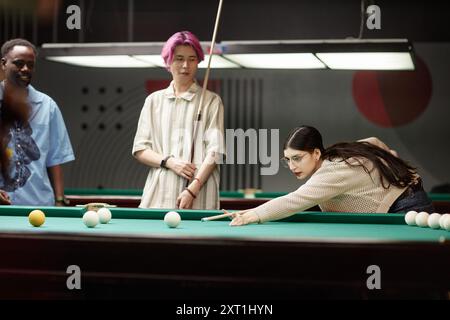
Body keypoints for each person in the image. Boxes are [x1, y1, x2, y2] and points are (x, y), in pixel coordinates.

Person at [229, 125, 433, 226]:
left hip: (408, 206)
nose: (292, 166)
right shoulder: (336, 154)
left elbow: (295, 200)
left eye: (297, 158)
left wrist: (254, 214)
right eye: (287, 160)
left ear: (316, 153)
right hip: (408, 198)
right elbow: (373, 141)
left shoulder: (332, 169)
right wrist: (391, 157)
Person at [132, 31, 225, 209]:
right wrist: (170, 162)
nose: (185, 65)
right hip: (159, 194)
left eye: (191, 59)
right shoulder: (153, 101)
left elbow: (216, 151)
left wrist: (192, 190)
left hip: (200, 195)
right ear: (168, 61)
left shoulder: (211, 101)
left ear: (198, 62)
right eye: (179, 58)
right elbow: (140, 148)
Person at [0, 39, 74, 206]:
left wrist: (60, 199)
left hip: (39, 205)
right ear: (4, 64)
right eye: (19, 63)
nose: (25, 69)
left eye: (30, 65)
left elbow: (55, 159)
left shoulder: (48, 106)